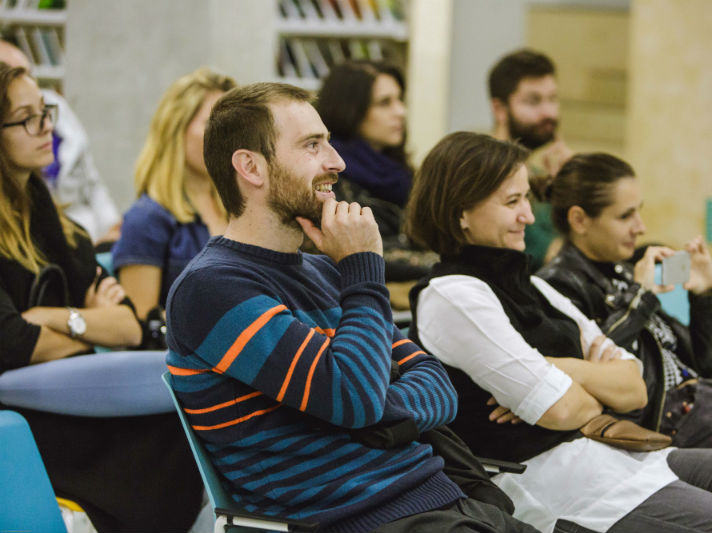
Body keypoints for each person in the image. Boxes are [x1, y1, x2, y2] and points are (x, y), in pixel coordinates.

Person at [165, 82, 538, 533]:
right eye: (312, 145)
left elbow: (439, 387)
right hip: (358, 521)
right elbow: (354, 398)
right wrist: (363, 268)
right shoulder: (212, 288)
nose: (336, 162)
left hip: (444, 502)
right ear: (251, 167)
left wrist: (375, 412)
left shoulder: (325, 273)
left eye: (329, 142)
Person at [405, 131, 712, 533]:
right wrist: (585, 389)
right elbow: (561, 409)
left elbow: (635, 386)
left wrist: (553, 371)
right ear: (460, 214)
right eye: (512, 202)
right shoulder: (454, 295)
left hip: (626, 452)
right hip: (561, 483)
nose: (528, 214)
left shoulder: (534, 285)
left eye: (527, 197)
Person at [0, 62, 203, 532]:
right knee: (161, 436)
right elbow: (12, 342)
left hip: (61, 397)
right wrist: (89, 322)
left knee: (178, 425)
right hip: (25, 414)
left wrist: (50, 317)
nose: (46, 127)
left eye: (45, 112)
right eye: (27, 118)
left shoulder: (56, 227)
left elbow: (129, 327)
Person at [534, 152, 712, 459]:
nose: (640, 226)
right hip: (677, 424)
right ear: (579, 220)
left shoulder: (620, 271)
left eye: (639, 212)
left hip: (710, 405)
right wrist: (640, 297)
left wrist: (704, 295)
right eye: (625, 216)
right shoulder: (558, 286)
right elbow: (594, 367)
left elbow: (704, 363)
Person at [112, 68, 235, 329]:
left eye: (233, 125)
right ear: (176, 129)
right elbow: (141, 325)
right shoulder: (147, 219)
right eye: (214, 124)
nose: (229, 137)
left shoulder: (239, 208)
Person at [316, 60, 437, 286]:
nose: (400, 112)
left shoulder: (401, 171)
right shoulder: (328, 178)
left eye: (400, 100)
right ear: (350, 110)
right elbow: (365, 251)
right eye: (384, 103)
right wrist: (443, 264)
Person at [0, 39, 120, 244]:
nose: (47, 126)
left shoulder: (55, 106)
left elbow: (91, 181)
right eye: (11, 76)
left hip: (82, 231)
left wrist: (113, 228)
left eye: (27, 74)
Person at [488, 49, 573, 270]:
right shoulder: (487, 173)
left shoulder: (538, 172)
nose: (549, 113)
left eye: (552, 99)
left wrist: (569, 185)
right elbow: (556, 256)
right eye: (533, 101)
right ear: (499, 109)